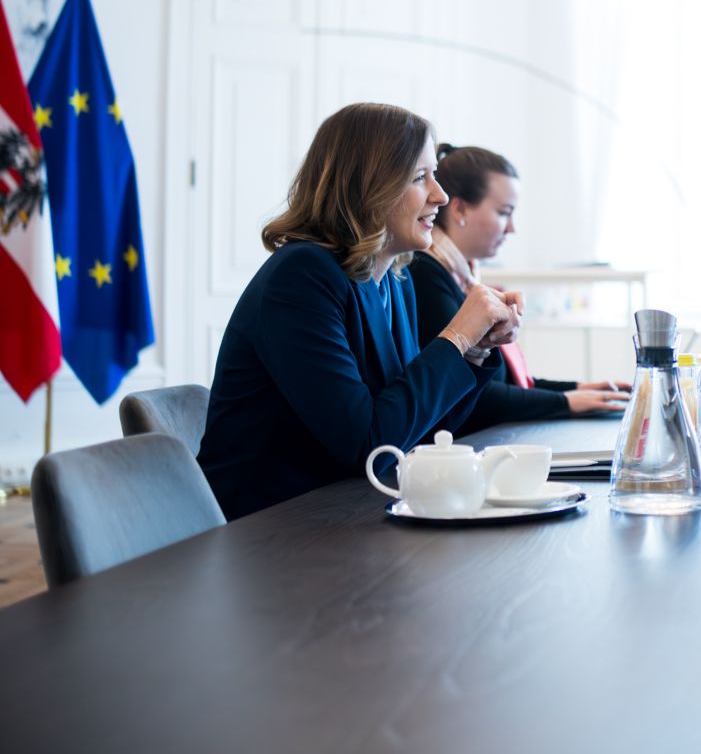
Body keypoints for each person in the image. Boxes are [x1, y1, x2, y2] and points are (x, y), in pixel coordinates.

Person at [199, 104, 522, 520]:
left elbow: (422, 428)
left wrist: (474, 350)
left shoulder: (392, 276)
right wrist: (455, 336)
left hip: (342, 516)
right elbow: (368, 446)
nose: (440, 196)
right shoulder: (301, 276)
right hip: (267, 532)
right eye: (421, 177)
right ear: (370, 187)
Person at [409, 144, 629, 433]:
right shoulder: (426, 276)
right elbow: (471, 392)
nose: (511, 227)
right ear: (460, 208)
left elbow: (505, 383)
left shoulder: (463, 278)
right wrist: (565, 401)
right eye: (504, 212)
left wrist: (577, 389)